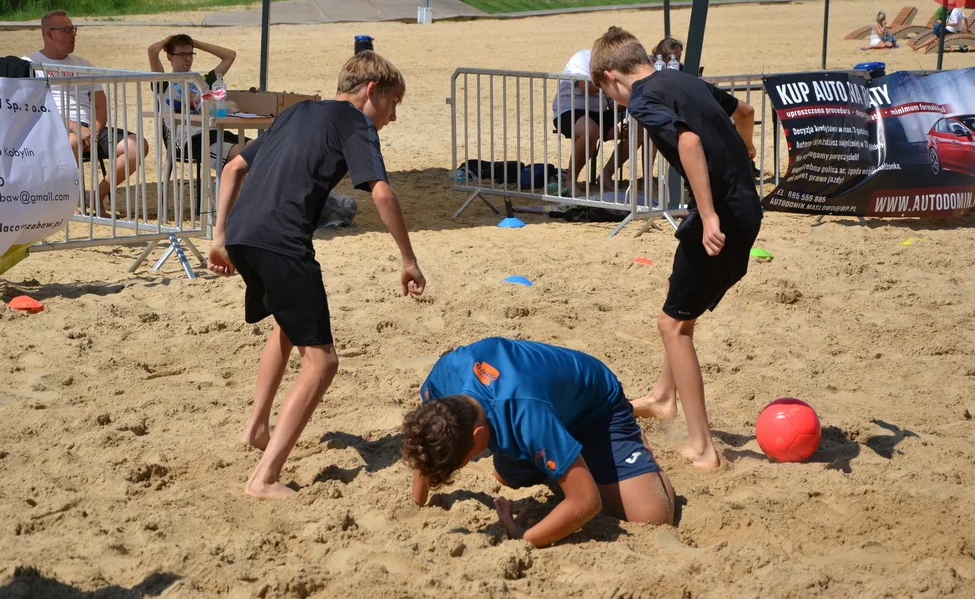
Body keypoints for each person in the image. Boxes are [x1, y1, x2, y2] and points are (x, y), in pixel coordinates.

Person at [208, 51, 426, 499]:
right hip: (282, 240)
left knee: (289, 327)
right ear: (372, 92)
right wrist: (408, 258)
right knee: (323, 361)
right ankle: (265, 478)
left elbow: (233, 167)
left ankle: (256, 427)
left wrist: (218, 237)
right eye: (394, 103)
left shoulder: (298, 111)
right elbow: (381, 192)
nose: (394, 116)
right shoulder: (356, 123)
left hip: (243, 233)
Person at [590, 27, 763, 469]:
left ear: (612, 77)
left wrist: (706, 214)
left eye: (610, 96)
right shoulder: (688, 80)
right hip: (745, 206)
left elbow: (688, 142)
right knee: (681, 306)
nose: (616, 104)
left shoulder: (644, 100)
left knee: (672, 326)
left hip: (720, 215)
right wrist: (745, 147)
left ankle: (703, 447)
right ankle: (664, 396)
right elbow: (745, 110)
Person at [402, 338, 675, 547]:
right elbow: (428, 439)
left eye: (461, 461)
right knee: (506, 476)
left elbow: (586, 502)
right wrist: (417, 502)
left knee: (652, 516)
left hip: (595, 410)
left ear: (477, 436)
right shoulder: (442, 380)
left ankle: (636, 447)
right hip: (543, 406)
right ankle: (571, 456)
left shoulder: (525, 415)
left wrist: (525, 537)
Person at [23, 10, 148, 216]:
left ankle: (96, 197)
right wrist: (74, 127)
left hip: (90, 128)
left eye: (73, 29)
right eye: (66, 30)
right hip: (53, 126)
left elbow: (100, 105)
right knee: (73, 142)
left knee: (137, 145)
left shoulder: (83, 64)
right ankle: (70, 202)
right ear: (49, 35)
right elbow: (33, 107)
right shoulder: (29, 64)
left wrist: (94, 130)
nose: (73, 34)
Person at [651, 37, 759, 165]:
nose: (676, 61)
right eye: (673, 57)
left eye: (679, 57)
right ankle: (648, 174)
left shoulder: (685, 71)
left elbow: (746, 111)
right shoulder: (655, 73)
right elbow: (746, 111)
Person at [147, 34, 251, 164]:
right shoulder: (164, 83)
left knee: (258, 147)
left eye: (190, 54)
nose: (188, 59)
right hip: (191, 138)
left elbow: (230, 55)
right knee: (242, 154)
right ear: (170, 57)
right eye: (182, 55)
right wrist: (166, 41)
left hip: (214, 130)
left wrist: (195, 43)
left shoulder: (201, 81)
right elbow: (152, 50)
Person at [552, 49, 631, 190]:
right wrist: (616, 83)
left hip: (599, 112)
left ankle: (606, 175)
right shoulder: (583, 57)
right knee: (590, 130)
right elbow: (585, 86)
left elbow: (613, 105)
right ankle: (570, 181)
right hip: (570, 110)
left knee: (638, 129)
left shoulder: (612, 65)